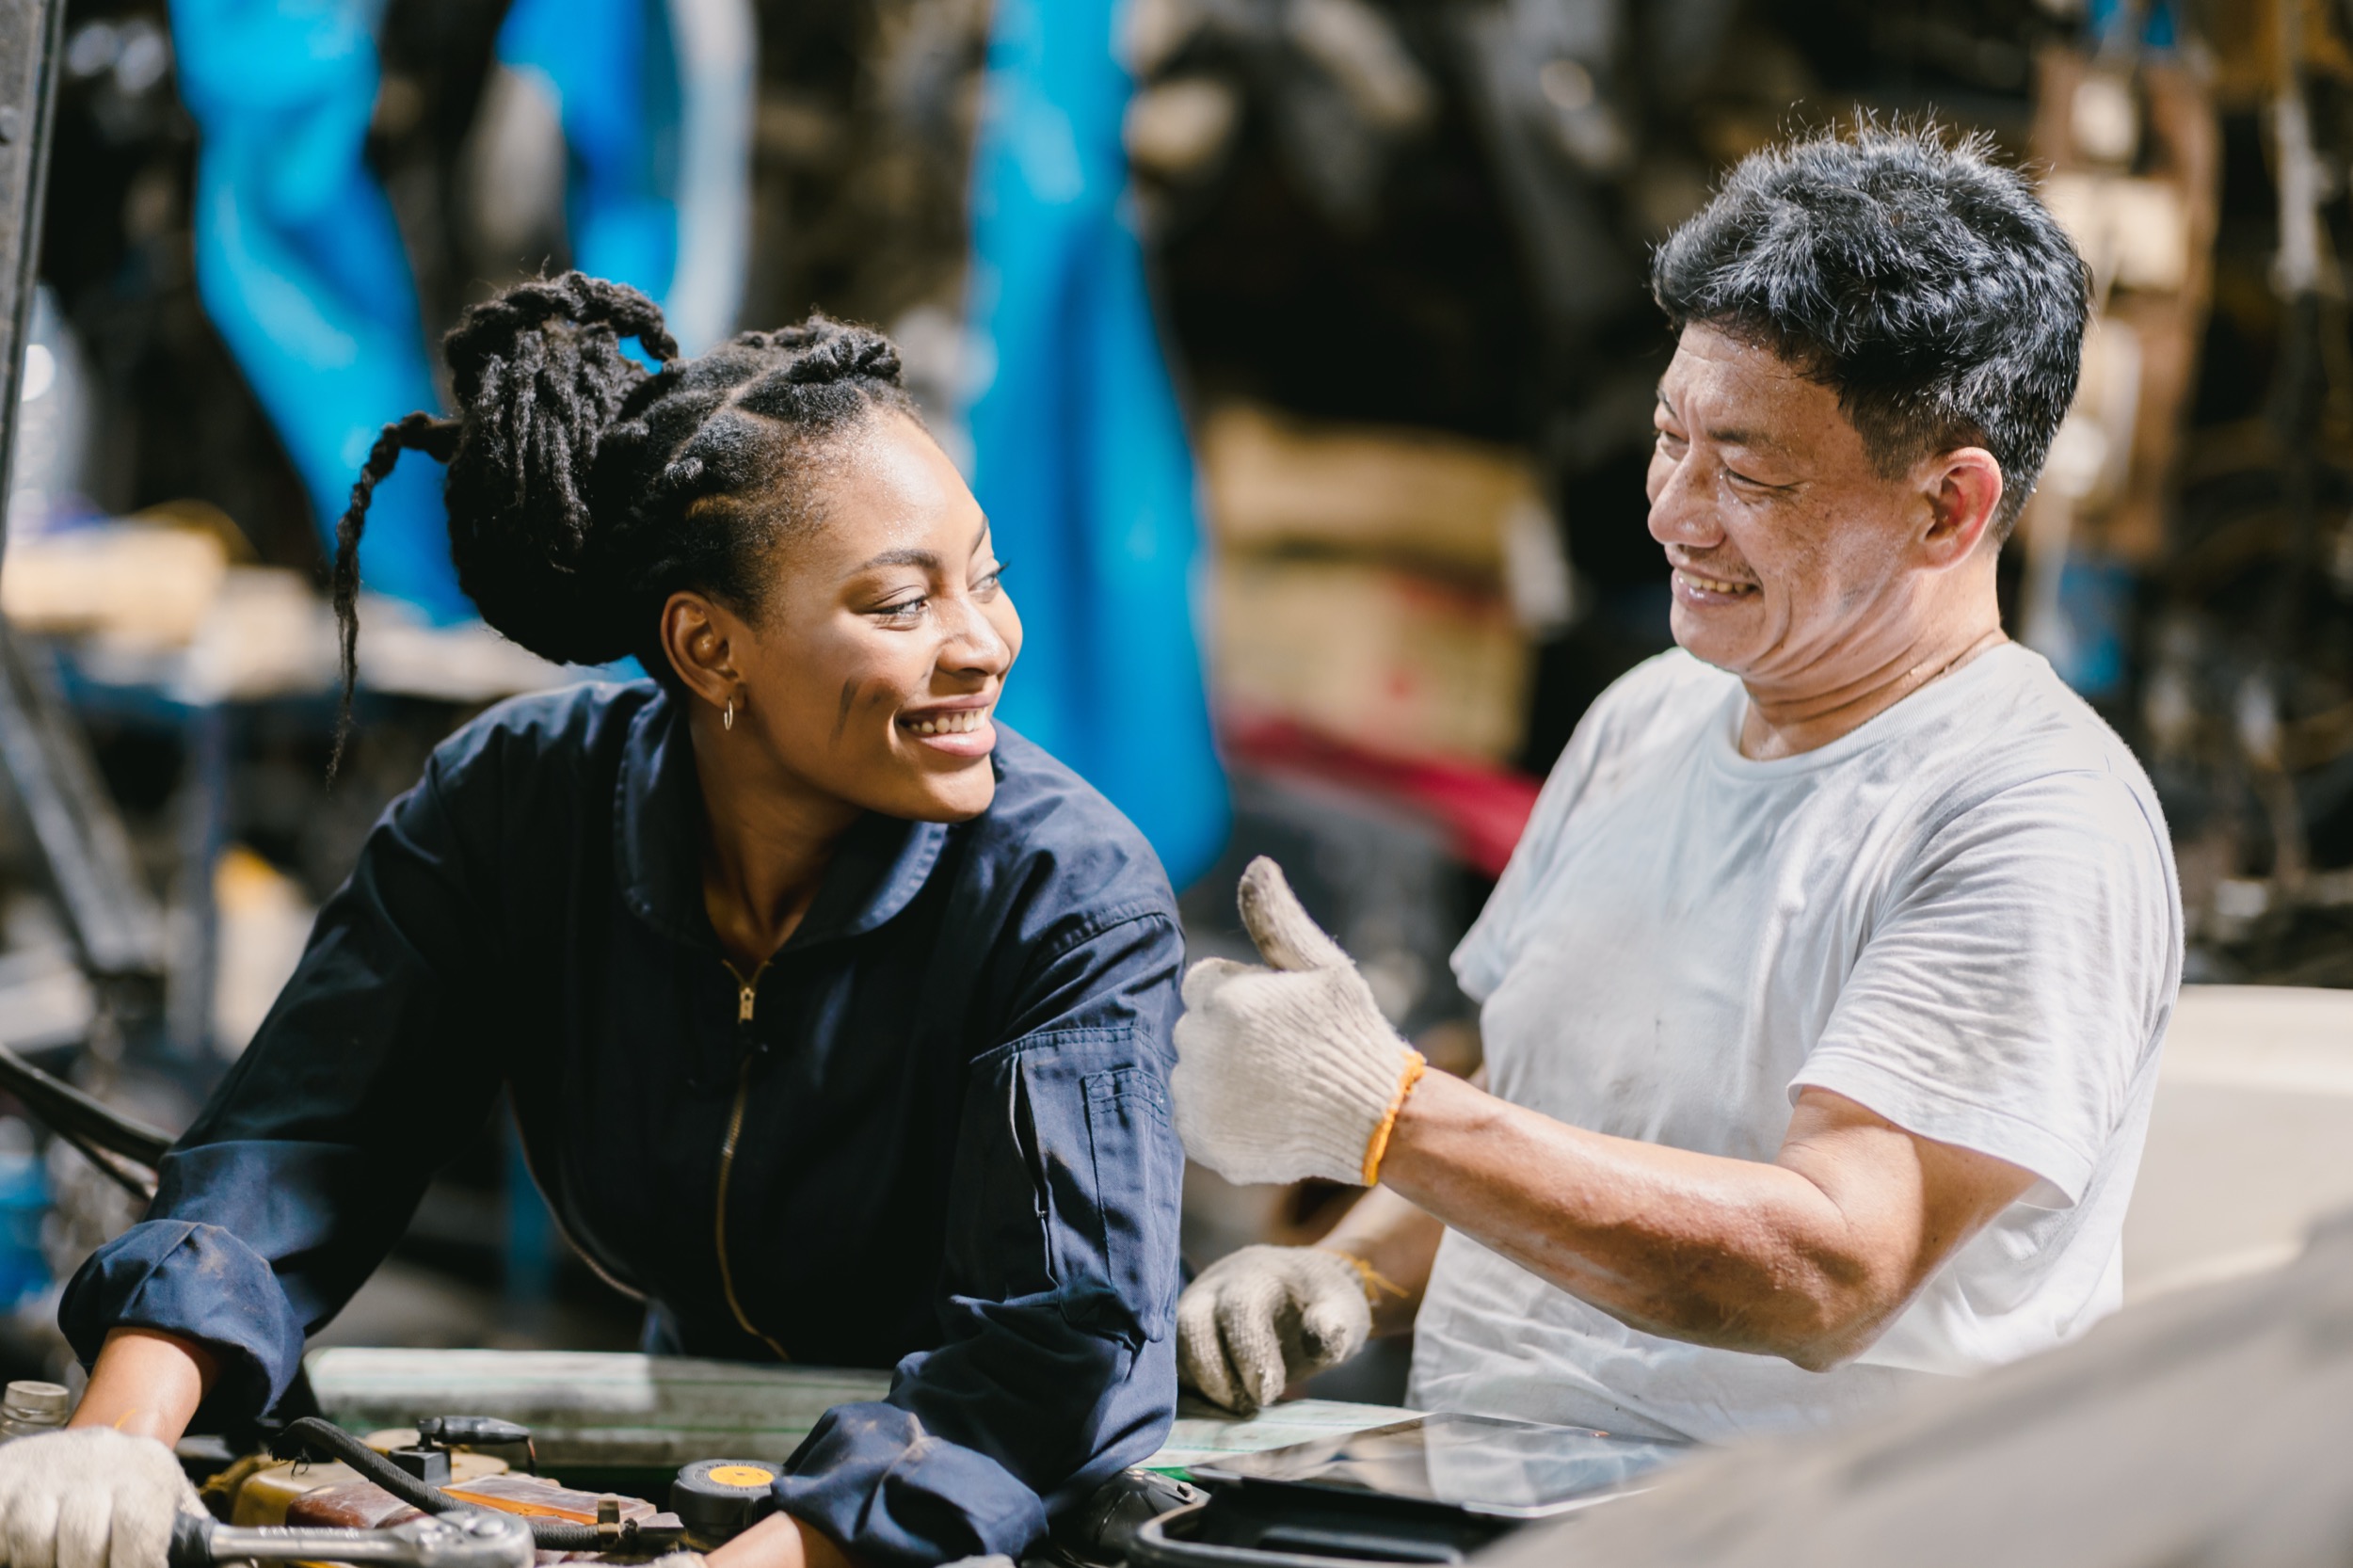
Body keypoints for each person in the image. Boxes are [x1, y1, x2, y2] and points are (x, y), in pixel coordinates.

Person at [0, 275, 1186, 1568]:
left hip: (971, 1517)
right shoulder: (518, 807)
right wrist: (117, 1434)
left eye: (986, 580)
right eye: (903, 605)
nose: (984, 642)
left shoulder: (1068, 897)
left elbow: (1051, 1355)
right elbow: (300, 1143)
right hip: (711, 1471)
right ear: (708, 648)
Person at [1170, 126, 2183, 1441]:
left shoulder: (2030, 820)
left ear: (1949, 507)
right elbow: (1542, 1122)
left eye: (1750, 473)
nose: (1673, 511)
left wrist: (1394, 1117)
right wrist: (1349, 1267)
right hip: (1506, 1494)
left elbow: (1831, 1270)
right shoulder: (1648, 715)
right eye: (1669, 438)